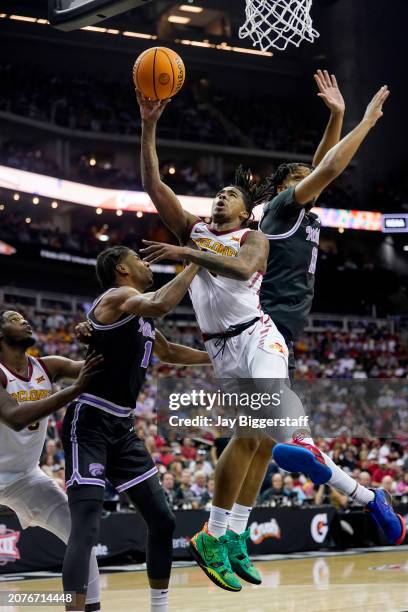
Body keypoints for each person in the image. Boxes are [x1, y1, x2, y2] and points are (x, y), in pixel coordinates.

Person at [138, 91, 291, 591]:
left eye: (231, 194)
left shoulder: (253, 238)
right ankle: (222, 535)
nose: (221, 197)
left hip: (258, 337)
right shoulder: (196, 228)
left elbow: (244, 270)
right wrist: (149, 124)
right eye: (218, 193)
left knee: (262, 436)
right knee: (252, 437)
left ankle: (224, 535)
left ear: (247, 211)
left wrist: (189, 251)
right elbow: (153, 184)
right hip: (223, 349)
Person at [259, 80, 405, 545]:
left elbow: (324, 162)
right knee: (268, 444)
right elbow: (329, 165)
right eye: (303, 178)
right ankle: (369, 497)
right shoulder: (281, 208)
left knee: (267, 444)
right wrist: (365, 121)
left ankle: (227, 533)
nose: (316, 181)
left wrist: (336, 116)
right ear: (286, 186)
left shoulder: (297, 211)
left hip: (274, 330)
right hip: (264, 328)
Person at [61, 246, 210, 612]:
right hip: (90, 420)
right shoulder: (120, 295)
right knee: (85, 529)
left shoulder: (138, 311)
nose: (147, 264)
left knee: (163, 519)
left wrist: (220, 356)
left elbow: (170, 353)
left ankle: (159, 607)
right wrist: (196, 261)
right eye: (140, 260)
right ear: (123, 269)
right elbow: (161, 303)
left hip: (122, 427)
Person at [0, 310, 103, 612]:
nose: (25, 321)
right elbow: (16, 418)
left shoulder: (47, 367)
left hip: (25, 478)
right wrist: (75, 390)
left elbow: (96, 370)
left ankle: (87, 608)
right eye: (15, 319)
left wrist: (98, 339)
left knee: (81, 538)